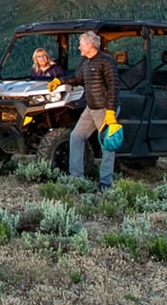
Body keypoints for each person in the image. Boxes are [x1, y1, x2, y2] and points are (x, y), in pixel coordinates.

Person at [48, 31, 120, 191]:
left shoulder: (106, 61)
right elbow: (77, 79)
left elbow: (114, 87)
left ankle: (105, 183)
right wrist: (59, 81)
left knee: (108, 145)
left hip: (104, 110)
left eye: (81, 44)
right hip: (91, 108)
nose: (79, 47)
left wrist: (111, 111)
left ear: (90, 45)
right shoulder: (86, 63)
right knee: (76, 137)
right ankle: (76, 177)